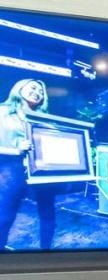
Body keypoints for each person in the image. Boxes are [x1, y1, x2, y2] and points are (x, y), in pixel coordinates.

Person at [0, 79, 57, 250]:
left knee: (48, 215)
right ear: (20, 88)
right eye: (33, 87)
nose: (37, 92)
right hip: (11, 170)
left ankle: (46, 255)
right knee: (4, 217)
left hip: (42, 172)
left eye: (41, 91)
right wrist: (15, 148)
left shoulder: (44, 120)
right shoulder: (2, 111)